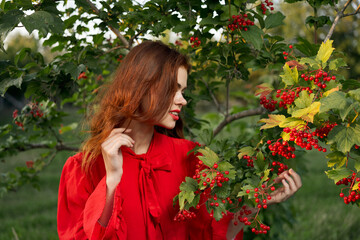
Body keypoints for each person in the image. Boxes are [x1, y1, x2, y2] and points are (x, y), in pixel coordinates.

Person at [57, 41, 302, 240]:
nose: (182, 100)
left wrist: (254, 203)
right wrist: (111, 183)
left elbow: (212, 236)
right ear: (140, 87)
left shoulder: (191, 158)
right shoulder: (82, 168)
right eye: (173, 89)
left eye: (182, 91)